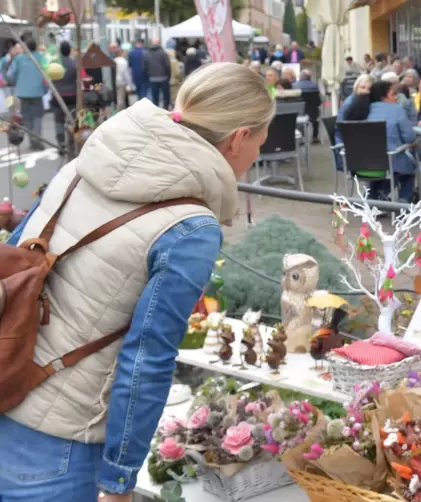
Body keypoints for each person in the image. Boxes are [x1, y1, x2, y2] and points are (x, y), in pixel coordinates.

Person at [0, 62, 274, 502]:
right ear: (240, 137)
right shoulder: (191, 227)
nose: (258, 153)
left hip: (6, 386)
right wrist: (119, 477)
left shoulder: (87, 162)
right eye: (262, 140)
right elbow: (147, 358)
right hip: (64, 444)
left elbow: (14, 258)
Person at [343, 80, 416, 203]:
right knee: (409, 170)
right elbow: (410, 137)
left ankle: (375, 197)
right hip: (390, 163)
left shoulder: (360, 111)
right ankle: (403, 201)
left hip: (358, 166)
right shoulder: (396, 110)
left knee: (382, 169)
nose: (397, 97)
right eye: (393, 94)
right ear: (383, 97)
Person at [7, 38, 47, 150]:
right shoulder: (41, 57)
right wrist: (45, 88)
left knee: (27, 117)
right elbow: (46, 72)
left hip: (22, 92)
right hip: (37, 91)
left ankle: (32, 140)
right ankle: (36, 139)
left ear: (26, 47)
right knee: (37, 117)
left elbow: (10, 74)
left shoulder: (19, 58)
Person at [335, 74, 374, 170]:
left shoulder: (362, 102)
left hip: (355, 151)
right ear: (356, 88)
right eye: (362, 87)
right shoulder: (350, 105)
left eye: (369, 89)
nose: (365, 91)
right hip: (347, 152)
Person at [50, 41, 77, 147]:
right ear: (69, 51)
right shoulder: (74, 64)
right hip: (72, 96)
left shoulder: (54, 64)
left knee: (58, 121)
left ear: (60, 51)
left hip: (57, 96)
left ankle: (61, 141)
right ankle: (72, 140)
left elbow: (47, 79)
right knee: (73, 119)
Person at [293, 69, 322, 143]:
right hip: (312, 111)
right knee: (315, 119)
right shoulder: (314, 86)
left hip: (298, 111)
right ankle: (315, 136)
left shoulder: (294, 86)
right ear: (309, 77)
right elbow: (318, 102)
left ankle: (300, 137)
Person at [143, 38, 171, 109]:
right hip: (164, 77)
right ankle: (165, 109)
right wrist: (168, 76)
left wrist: (148, 75)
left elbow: (144, 67)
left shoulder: (147, 53)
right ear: (159, 43)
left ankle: (156, 109)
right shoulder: (163, 53)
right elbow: (167, 65)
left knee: (155, 96)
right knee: (166, 96)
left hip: (152, 78)